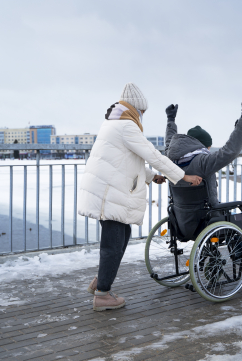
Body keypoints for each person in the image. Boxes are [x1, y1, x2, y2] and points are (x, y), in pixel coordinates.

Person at [77, 82, 203, 311]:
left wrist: (150, 176)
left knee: (119, 236)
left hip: (108, 189)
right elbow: (152, 154)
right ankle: (103, 295)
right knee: (113, 242)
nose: (142, 116)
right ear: (135, 108)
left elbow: (126, 160)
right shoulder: (126, 126)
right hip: (110, 192)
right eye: (142, 111)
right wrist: (183, 176)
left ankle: (101, 282)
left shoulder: (113, 123)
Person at [163, 98, 242, 240]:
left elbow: (169, 141)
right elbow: (230, 151)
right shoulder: (202, 162)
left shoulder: (171, 159)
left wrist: (171, 119)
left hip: (182, 223)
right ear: (202, 146)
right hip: (205, 223)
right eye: (208, 147)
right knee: (241, 221)